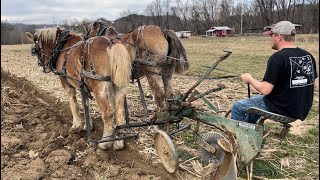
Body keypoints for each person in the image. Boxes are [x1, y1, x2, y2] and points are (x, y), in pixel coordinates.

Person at [231, 20, 318, 123]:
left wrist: (249, 78)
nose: (270, 39)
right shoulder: (308, 56)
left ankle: (238, 137)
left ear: (278, 37)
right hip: (300, 109)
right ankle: (250, 130)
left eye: (271, 36)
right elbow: (316, 83)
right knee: (254, 107)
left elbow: (265, 90)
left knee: (238, 106)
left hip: (281, 107)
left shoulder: (278, 58)